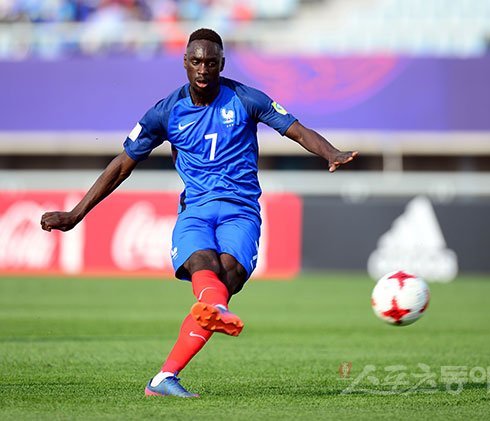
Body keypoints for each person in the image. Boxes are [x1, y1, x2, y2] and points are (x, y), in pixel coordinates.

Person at [40, 28, 358, 398]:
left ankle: (165, 376)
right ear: (185, 63)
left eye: (210, 62)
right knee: (204, 264)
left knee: (230, 276)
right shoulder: (166, 111)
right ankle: (209, 316)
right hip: (197, 210)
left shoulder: (245, 98)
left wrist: (331, 153)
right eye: (196, 61)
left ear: (222, 63)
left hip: (241, 211)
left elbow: (297, 131)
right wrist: (76, 214)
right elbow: (121, 165)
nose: (203, 68)